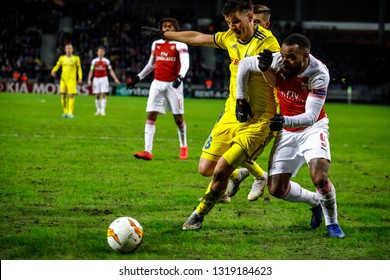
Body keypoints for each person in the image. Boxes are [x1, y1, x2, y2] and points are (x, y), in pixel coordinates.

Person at [142, 0, 280, 230]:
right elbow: (198, 38)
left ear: (250, 17)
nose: (232, 26)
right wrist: (164, 34)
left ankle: (198, 215)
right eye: (228, 22)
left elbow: (281, 80)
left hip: (259, 120)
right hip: (231, 113)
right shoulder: (229, 37)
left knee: (220, 169)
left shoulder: (268, 43)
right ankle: (239, 176)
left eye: (236, 21)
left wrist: (270, 68)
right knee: (205, 168)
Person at [236, 33, 345, 238]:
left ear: (305, 56)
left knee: (320, 178)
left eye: (292, 57)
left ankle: (333, 224)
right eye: (284, 56)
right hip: (287, 130)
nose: (285, 61)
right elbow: (243, 64)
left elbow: (311, 116)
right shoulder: (278, 60)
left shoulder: (319, 73)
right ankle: (315, 202)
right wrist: (241, 99)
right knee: (276, 189)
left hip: (313, 129)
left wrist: (285, 120)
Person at [127, 18, 190, 161]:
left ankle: (183, 145)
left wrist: (180, 76)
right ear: (160, 28)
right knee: (151, 115)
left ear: (175, 29)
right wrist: (138, 78)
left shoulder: (180, 44)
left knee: (178, 119)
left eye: (170, 27)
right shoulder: (156, 44)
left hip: (173, 84)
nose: (167, 29)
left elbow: (186, 63)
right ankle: (147, 151)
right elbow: (151, 64)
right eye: (165, 26)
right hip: (157, 83)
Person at [51, 43, 82, 118]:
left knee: (71, 95)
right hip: (63, 80)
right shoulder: (62, 58)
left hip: (72, 80)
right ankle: (65, 112)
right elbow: (58, 65)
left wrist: (80, 77)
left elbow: (79, 68)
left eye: (70, 48)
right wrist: (53, 70)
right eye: (67, 48)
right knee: (63, 96)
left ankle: (70, 113)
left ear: (72, 49)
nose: (68, 50)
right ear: (65, 50)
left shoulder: (76, 58)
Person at [87, 46, 120, 116]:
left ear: (104, 53)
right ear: (97, 52)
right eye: (99, 51)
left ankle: (102, 110)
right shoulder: (94, 61)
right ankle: (98, 110)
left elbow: (110, 70)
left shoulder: (106, 61)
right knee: (97, 94)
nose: (100, 53)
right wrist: (89, 79)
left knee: (103, 94)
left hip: (104, 78)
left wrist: (115, 78)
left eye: (102, 51)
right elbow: (91, 70)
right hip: (96, 79)